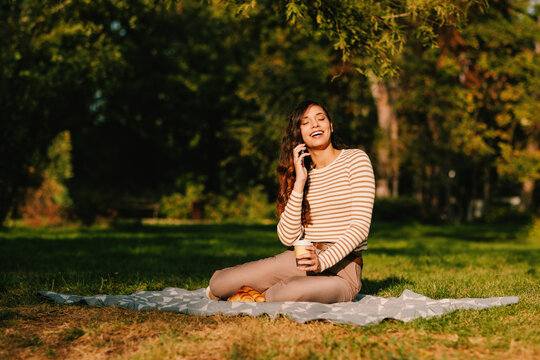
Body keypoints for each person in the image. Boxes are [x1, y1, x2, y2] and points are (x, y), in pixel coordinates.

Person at [207, 100, 375, 303]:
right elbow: (287, 238)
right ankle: (252, 295)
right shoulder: (302, 175)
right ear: (299, 134)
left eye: (321, 119)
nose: (315, 125)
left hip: (343, 270)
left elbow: (360, 227)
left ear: (331, 126)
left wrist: (321, 261)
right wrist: (299, 183)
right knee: (219, 283)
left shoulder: (356, 160)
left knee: (283, 292)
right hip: (302, 259)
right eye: (306, 122)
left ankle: (258, 295)